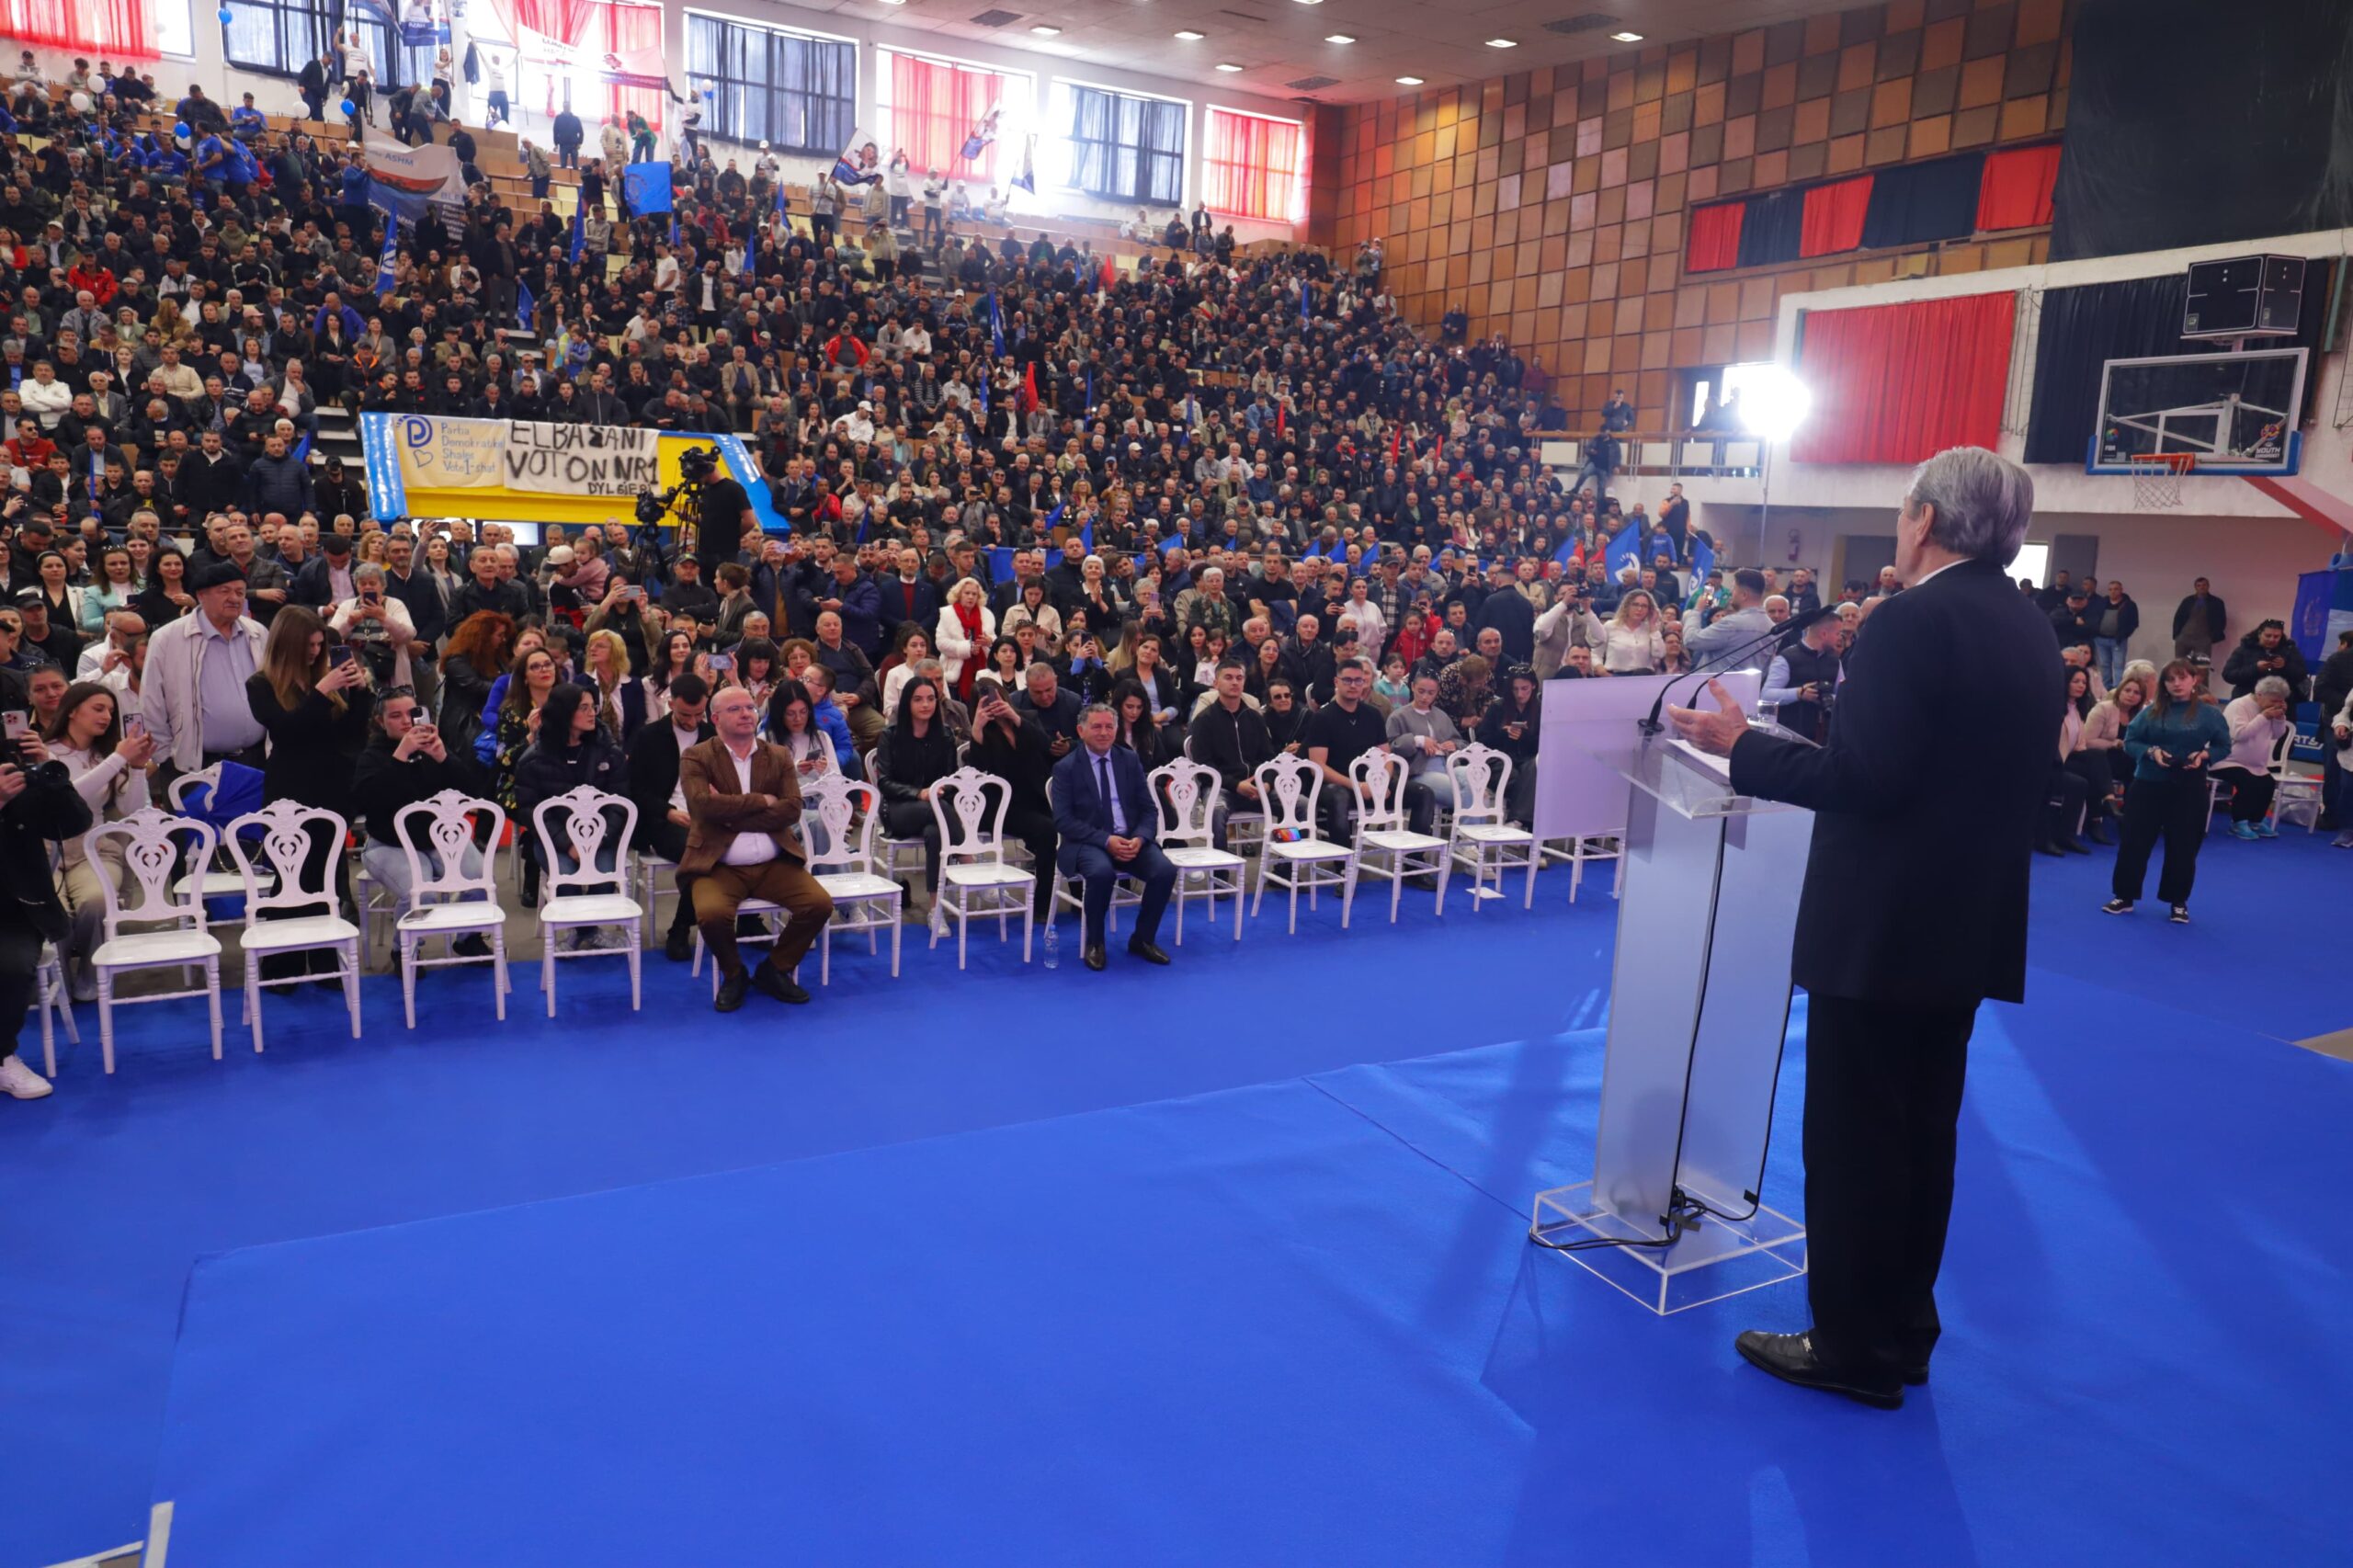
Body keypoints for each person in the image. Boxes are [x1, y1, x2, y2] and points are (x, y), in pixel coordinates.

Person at [1667, 447, 2062, 1409]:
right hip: (1962, 924)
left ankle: (1848, 1343)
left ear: (1924, 519)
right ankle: (1901, 1327)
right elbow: (1933, 772)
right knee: (1923, 1136)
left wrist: (1744, 747)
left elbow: (1866, 782)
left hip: (1880, 928)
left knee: (1853, 1142)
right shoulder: (2027, 625)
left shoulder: (1912, 623)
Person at [676, 686, 835, 1012]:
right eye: (735, 709)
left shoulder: (777, 756)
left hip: (774, 862)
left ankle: (774, 970)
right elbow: (702, 808)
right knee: (712, 915)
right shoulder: (697, 756)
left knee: (818, 905)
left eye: (749, 706)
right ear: (715, 718)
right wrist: (762, 801)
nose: (747, 713)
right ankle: (734, 973)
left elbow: (792, 809)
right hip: (718, 864)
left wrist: (730, 812)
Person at [43, 681, 156, 1002]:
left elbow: (132, 809)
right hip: (46, 849)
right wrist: (118, 760)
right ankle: (59, 982)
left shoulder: (106, 755)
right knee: (55, 911)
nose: (107, 716)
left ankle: (91, 976)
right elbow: (67, 799)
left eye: (110, 710)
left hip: (93, 846)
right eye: (98, 708)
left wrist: (134, 768)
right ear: (73, 710)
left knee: (97, 901)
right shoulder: (45, 750)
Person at [0, 713, 94, 1099]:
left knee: (11, 963)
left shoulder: (16, 765)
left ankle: (3, 1058)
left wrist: (50, 776)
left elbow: (75, 823)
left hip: (15, 902)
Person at [1051, 702, 1177, 971]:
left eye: (1109, 726)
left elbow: (1148, 809)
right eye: (1096, 726)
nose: (1104, 732)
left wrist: (1141, 838)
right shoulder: (1066, 767)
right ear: (1081, 731)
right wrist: (1106, 841)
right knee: (1100, 873)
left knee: (1165, 870)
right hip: (1088, 842)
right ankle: (1094, 942)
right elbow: (1064, 821)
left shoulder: (1128, 759)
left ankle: (1142, 939)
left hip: (1131, 838)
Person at [2105, 659, 2230, 923]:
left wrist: (2204, 755)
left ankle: (2178, 902)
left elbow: (2223, 745)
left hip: (2189, 787)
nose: (2176, 683)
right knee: (2134, 842)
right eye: (2170, 679)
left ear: (2194, 680)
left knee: (2184, 846)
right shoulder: (2150, 712)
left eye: (2182, 678)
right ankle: (2124, 896)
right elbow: (2131, 742)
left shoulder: (2210, 715)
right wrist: (2151, 752)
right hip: (2148, 784)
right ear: (2163, 683)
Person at [141, 561, 268, 787]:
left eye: (240, 592)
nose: (235, 598)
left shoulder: (257, 633)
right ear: (201, 595)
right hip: (194, 764)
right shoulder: (167, 638)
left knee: (252, 823)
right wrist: (165, 757)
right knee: (194, 824)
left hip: (256, 760)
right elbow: (151, 701)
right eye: (225, 591)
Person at [624, 672, 715, 960]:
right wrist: (668, 812)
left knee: (729, 848)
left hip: (706, 816)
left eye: (698, 714)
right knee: (701, 853)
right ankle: (681, 927)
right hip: (662, 820)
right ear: (670, 703)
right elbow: (635, 788)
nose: (691, 721)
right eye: (685, 714)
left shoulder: (711, 735)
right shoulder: (649, 736)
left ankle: (703, 921)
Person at [874, 675, 961, 911]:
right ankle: (966, 858)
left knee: (935, 833)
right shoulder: (890, 735)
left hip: (937, 808)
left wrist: (942, 789)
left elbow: (952, 778)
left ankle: (935, 907)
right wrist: (918, 793)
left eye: (931, 699)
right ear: (907, 704)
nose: (926, 705)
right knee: (939, 811)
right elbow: (885, 782)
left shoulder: (944, 734)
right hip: (899, 807)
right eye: (918, 699)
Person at [2213, 676, 2293, 840]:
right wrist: (2264, 717)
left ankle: (2256, 821)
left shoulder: (2271, 710)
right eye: (2273, 700)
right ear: (2259, 695)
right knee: (2250, 782)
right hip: (2227, 760)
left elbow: (2277, 735)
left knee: (2268, 783)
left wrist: (2279, 718)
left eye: (2280, 701)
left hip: (2255, 763)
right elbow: (2240, 734)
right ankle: (2238, 822)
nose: (2276, 704)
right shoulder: (2239, 705)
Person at [2220, 619, 2307, 699]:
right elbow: (2228, 675)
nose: (2272, 639)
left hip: (2280, 699)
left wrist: (2285, 667)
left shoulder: (2290, 650)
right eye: (2268, 636)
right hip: (2247, 696)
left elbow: (2301, 675)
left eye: (2276, 637)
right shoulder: (2244, 649)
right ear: (2259, 634)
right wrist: (2255, 668)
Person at [2171, 576, 2226, 672]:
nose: (2202, 587)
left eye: (2204, 585)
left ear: (2208, 586)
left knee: (2202, 669)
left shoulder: (2216, 602)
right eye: (2199, 585)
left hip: (2203, 639)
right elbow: (2178, 618)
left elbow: (2221, 620)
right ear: (2195, 587)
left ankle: (2201, 687)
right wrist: (2177, 635)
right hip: (2184, 638)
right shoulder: (2188, 601)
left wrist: (2212, 637)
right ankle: (2182, 686)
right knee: (2180, 667)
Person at [2092, 580, 2139, 689]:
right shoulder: (2101, 603)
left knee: (2118, 665)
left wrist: (2125, 634)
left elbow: (2134, 622)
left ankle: (2117, 689)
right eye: (2110, 589)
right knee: (2104, 665)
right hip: (2100, 639)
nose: (2113, 592)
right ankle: (2105, 688)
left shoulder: (2129, 604)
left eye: (2116, 589)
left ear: (2121, 590)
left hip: (2118, 640)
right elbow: (2094, 617)